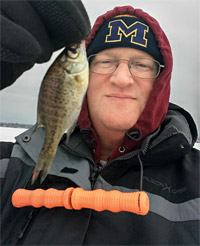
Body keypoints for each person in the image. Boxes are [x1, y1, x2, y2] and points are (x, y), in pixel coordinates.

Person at [1, 2, 199, 245]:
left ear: (160, 83)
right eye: (105, 62)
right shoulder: (9, 166)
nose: (121, 78)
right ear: (84, 75)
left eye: (141, 65)